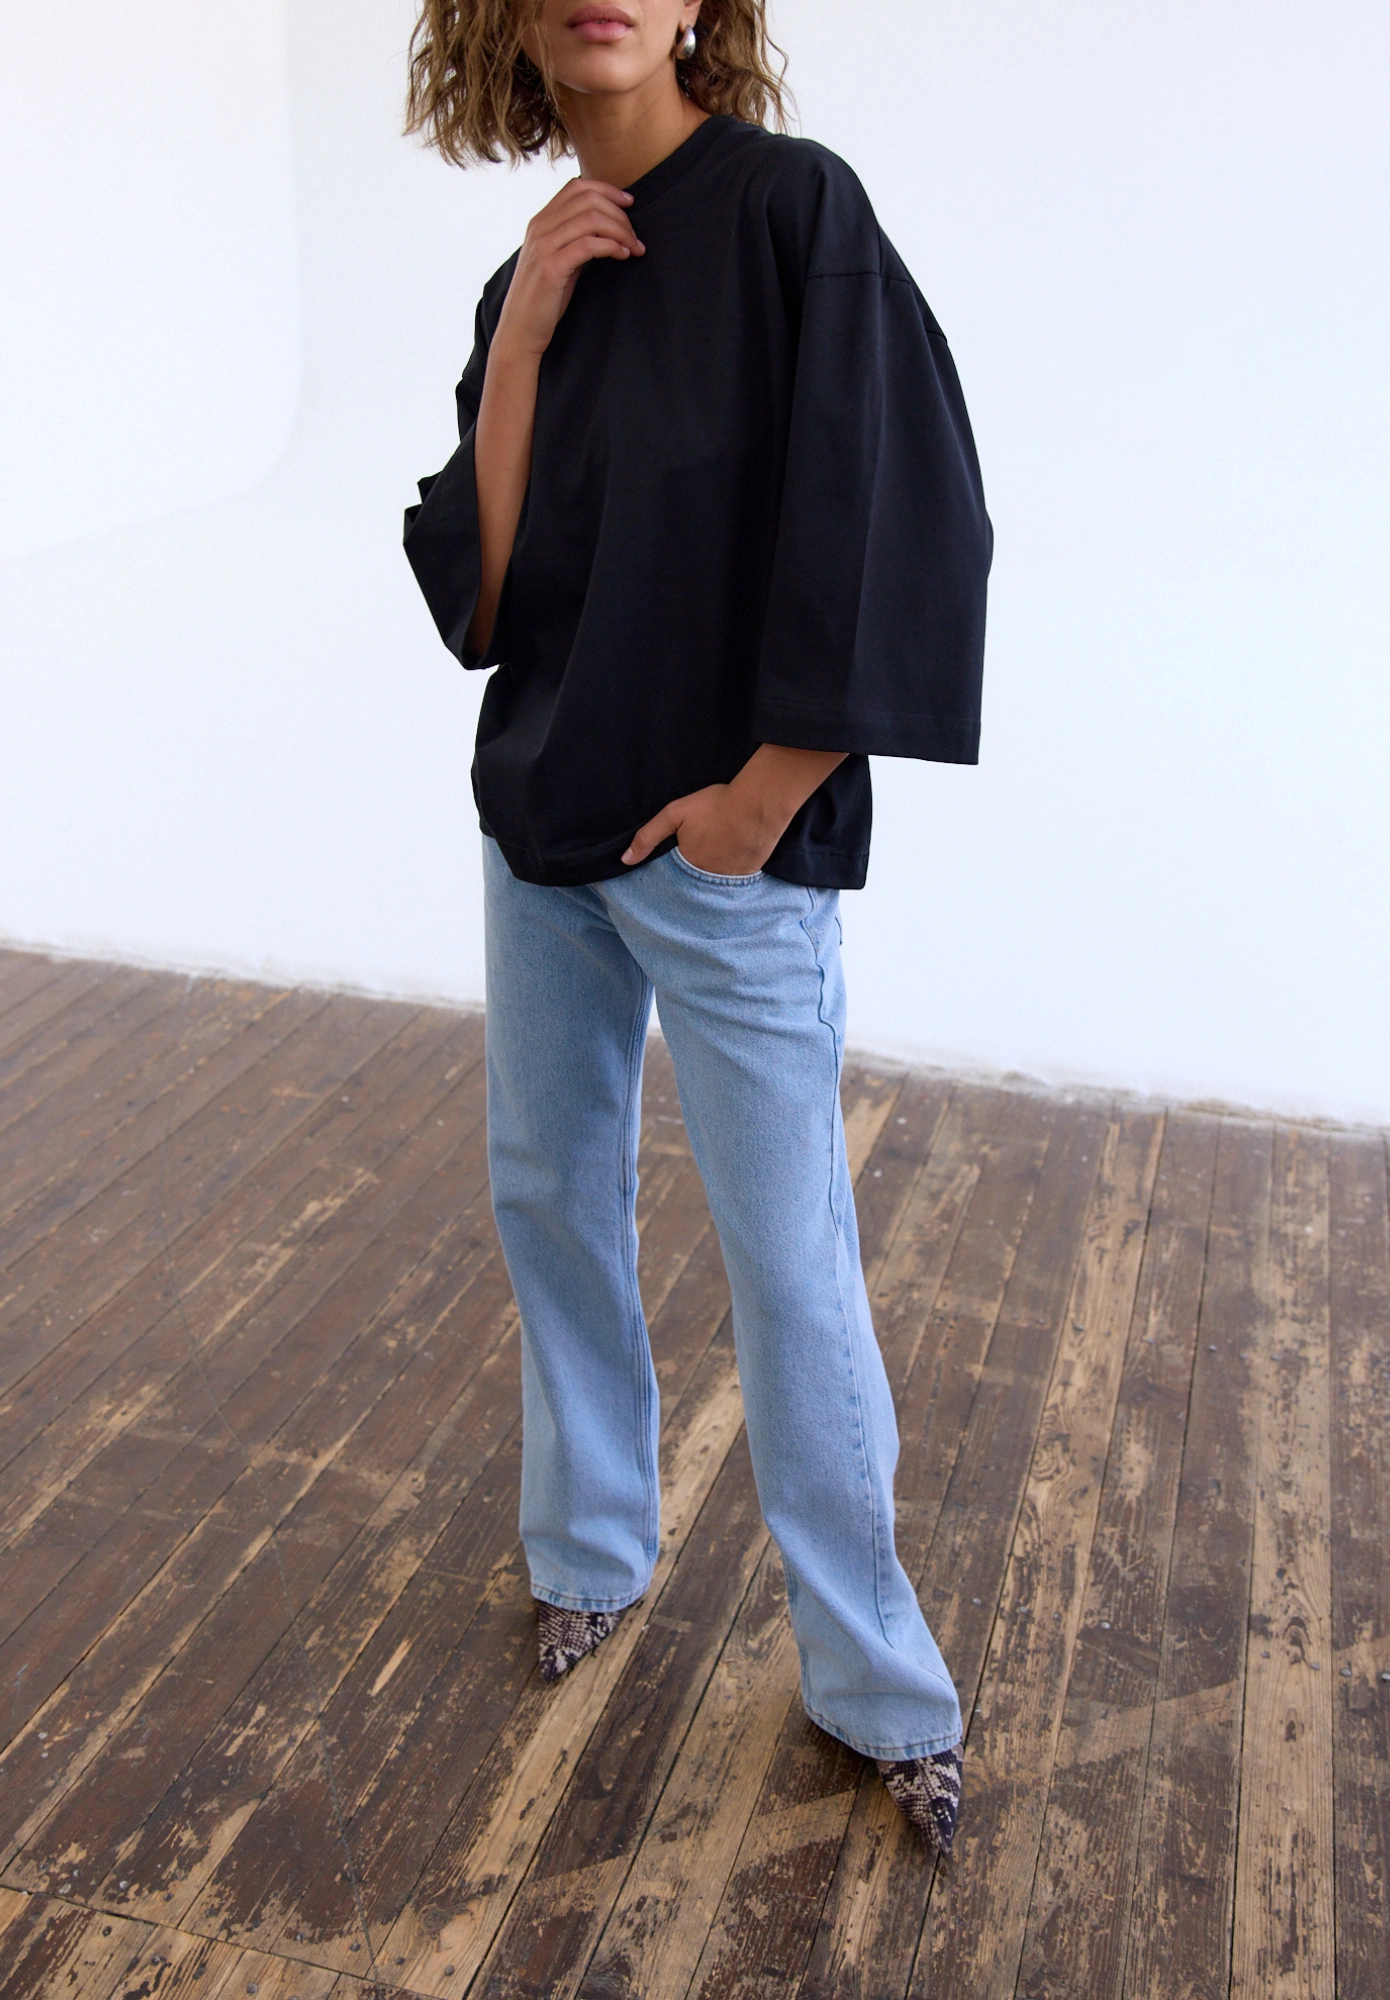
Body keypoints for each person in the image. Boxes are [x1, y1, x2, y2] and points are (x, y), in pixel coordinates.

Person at [402, 0, 990, 1859]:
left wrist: (760, 800)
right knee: (549, 1195)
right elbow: (488, 600)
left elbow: (903, 511)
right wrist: (523, 337)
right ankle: (589, 1550)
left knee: (788, 1257)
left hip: (724, 858)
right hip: (544, 832)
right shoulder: (533, 271)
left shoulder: (795, 211)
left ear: (697, 13)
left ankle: (881, 1689)